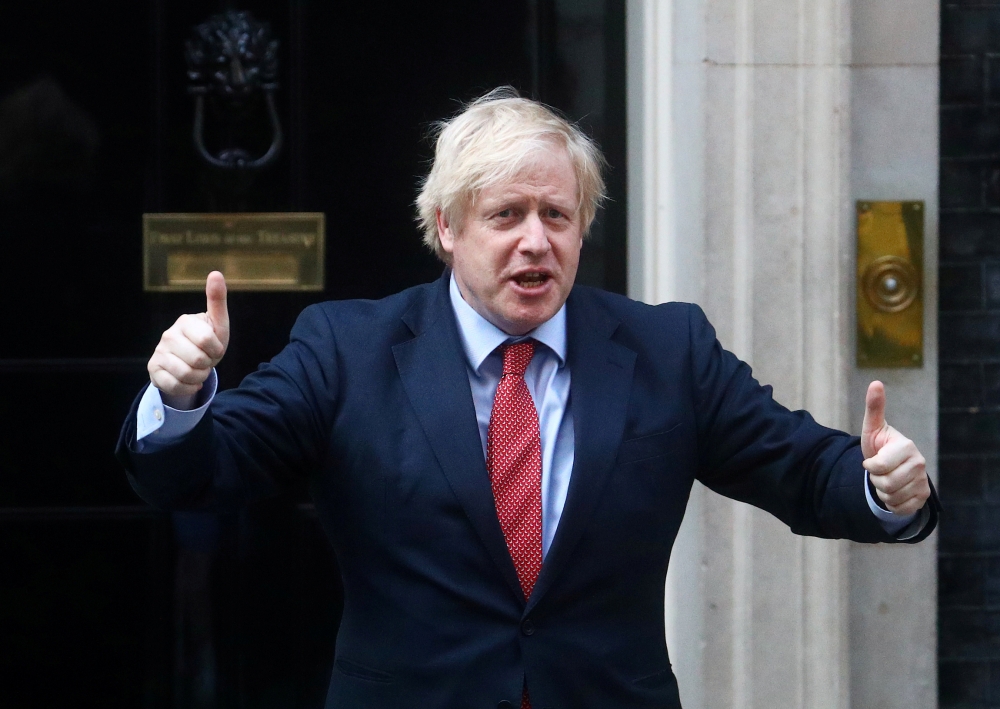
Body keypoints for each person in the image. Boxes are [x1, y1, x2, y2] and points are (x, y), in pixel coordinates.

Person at [117, 88, 937, 709]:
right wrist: (181, 398)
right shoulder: (348, 349)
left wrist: (881, 485)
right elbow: (201, 473)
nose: (535, 240)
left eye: (557, 214)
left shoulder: (666, 350)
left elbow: (796, 465)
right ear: (446, 227)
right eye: (506, 214)